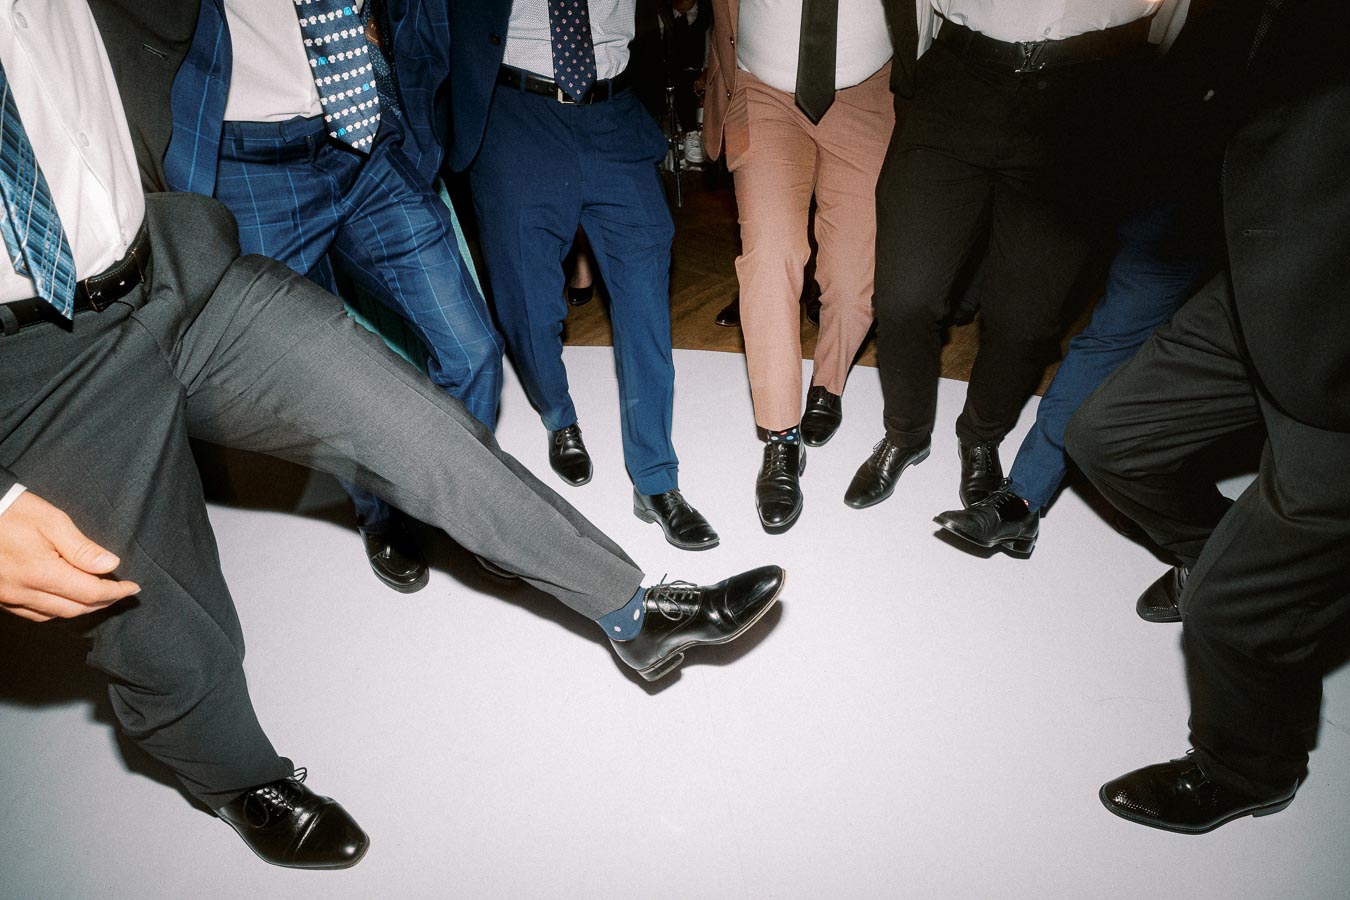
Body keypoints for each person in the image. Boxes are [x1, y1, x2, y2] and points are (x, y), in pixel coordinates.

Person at [0, 0, 783, 869]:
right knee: (156, 610)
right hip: (32, 354)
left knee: (415, 423)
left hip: (176, 268)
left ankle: (633, 613)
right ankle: (237, 778)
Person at [1064, 0, 1350, 834]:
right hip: (1278, 270)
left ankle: (1248, 768)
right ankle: (1212, 549)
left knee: (1232, 613)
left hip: (1339, 356)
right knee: (1107, 436)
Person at [164, 0, 505, 593]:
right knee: (317, 376)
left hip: (367, 138)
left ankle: (461, 500)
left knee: (470, 348)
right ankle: (380, 513)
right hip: (249, 163)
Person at [933, 1, 1243, 558]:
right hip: (1192, 171)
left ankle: (1246, 560)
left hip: (1310, 227)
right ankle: (1021, 502)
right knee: (1113, 335)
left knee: (1291, 410)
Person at [846, 0, 1164, 515]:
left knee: (1026, 320)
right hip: (960, 76)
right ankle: (905, 432)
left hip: (1091, 92)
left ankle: (981, 436)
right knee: (905, 295)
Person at [445, 0, 720, 552]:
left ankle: (655, 479)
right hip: (517, 110)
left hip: (613, 111)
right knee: (527, 303)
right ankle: (557, 412)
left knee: (645, 294)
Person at [702, 0, 895, 534]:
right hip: (761, 90)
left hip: (869, 95)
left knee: (856, 274)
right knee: (769, 257)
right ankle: (782, 438)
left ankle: (828, 384)